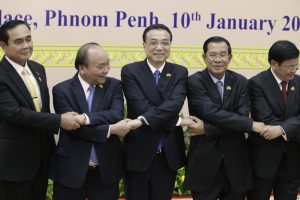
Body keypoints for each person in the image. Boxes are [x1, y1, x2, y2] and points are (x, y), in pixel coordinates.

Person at [0, 20, 82, 200]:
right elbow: (14, 113)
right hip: (15, 163)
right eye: (19, 41)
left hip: (42, 159)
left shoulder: (38, 68)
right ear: (3, 46)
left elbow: (41, 109)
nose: (26, 45)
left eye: (28, 39)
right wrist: (59, 120)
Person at [183, 36, 265, 200]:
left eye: (223, 54)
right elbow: (210, 112)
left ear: (230, 57)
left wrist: (206, 128)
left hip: (236, 162)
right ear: (204, 57)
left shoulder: (241, 82)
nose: (218, 59)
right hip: (204, 162)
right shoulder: (194, 81)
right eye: (212, 55)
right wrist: (249, 124)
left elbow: (240, 117)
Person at [50, 42, 131, 200]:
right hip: (70, 170)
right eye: (100, 66)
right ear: (82, 68)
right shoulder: (62, 90)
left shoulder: (114, 85)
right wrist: (111, 130)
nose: (106, 70)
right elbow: (73, 128)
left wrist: (85, 118)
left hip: (105, 171)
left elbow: (116, 115)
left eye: (108, 64)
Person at [121, 24, 193, 200]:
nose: (159, 48)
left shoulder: (179, 72)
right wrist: (176, 121)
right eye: (153, 42)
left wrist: (145, 119)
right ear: (144, 45)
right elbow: (140, 106)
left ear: (170, 46)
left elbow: (174, 105)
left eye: (165, 43)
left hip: (168, 152)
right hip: (139, 151)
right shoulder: (130, 71)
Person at [247, 40, 300, 200]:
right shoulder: (257, 83)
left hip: (293, 158)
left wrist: (282, 130)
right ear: (274, 63)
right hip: (264, 159)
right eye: (290, 66)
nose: (294, 70)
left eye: (296, 65)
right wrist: (291, 127)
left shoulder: (299, 82)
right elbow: (265, 118)